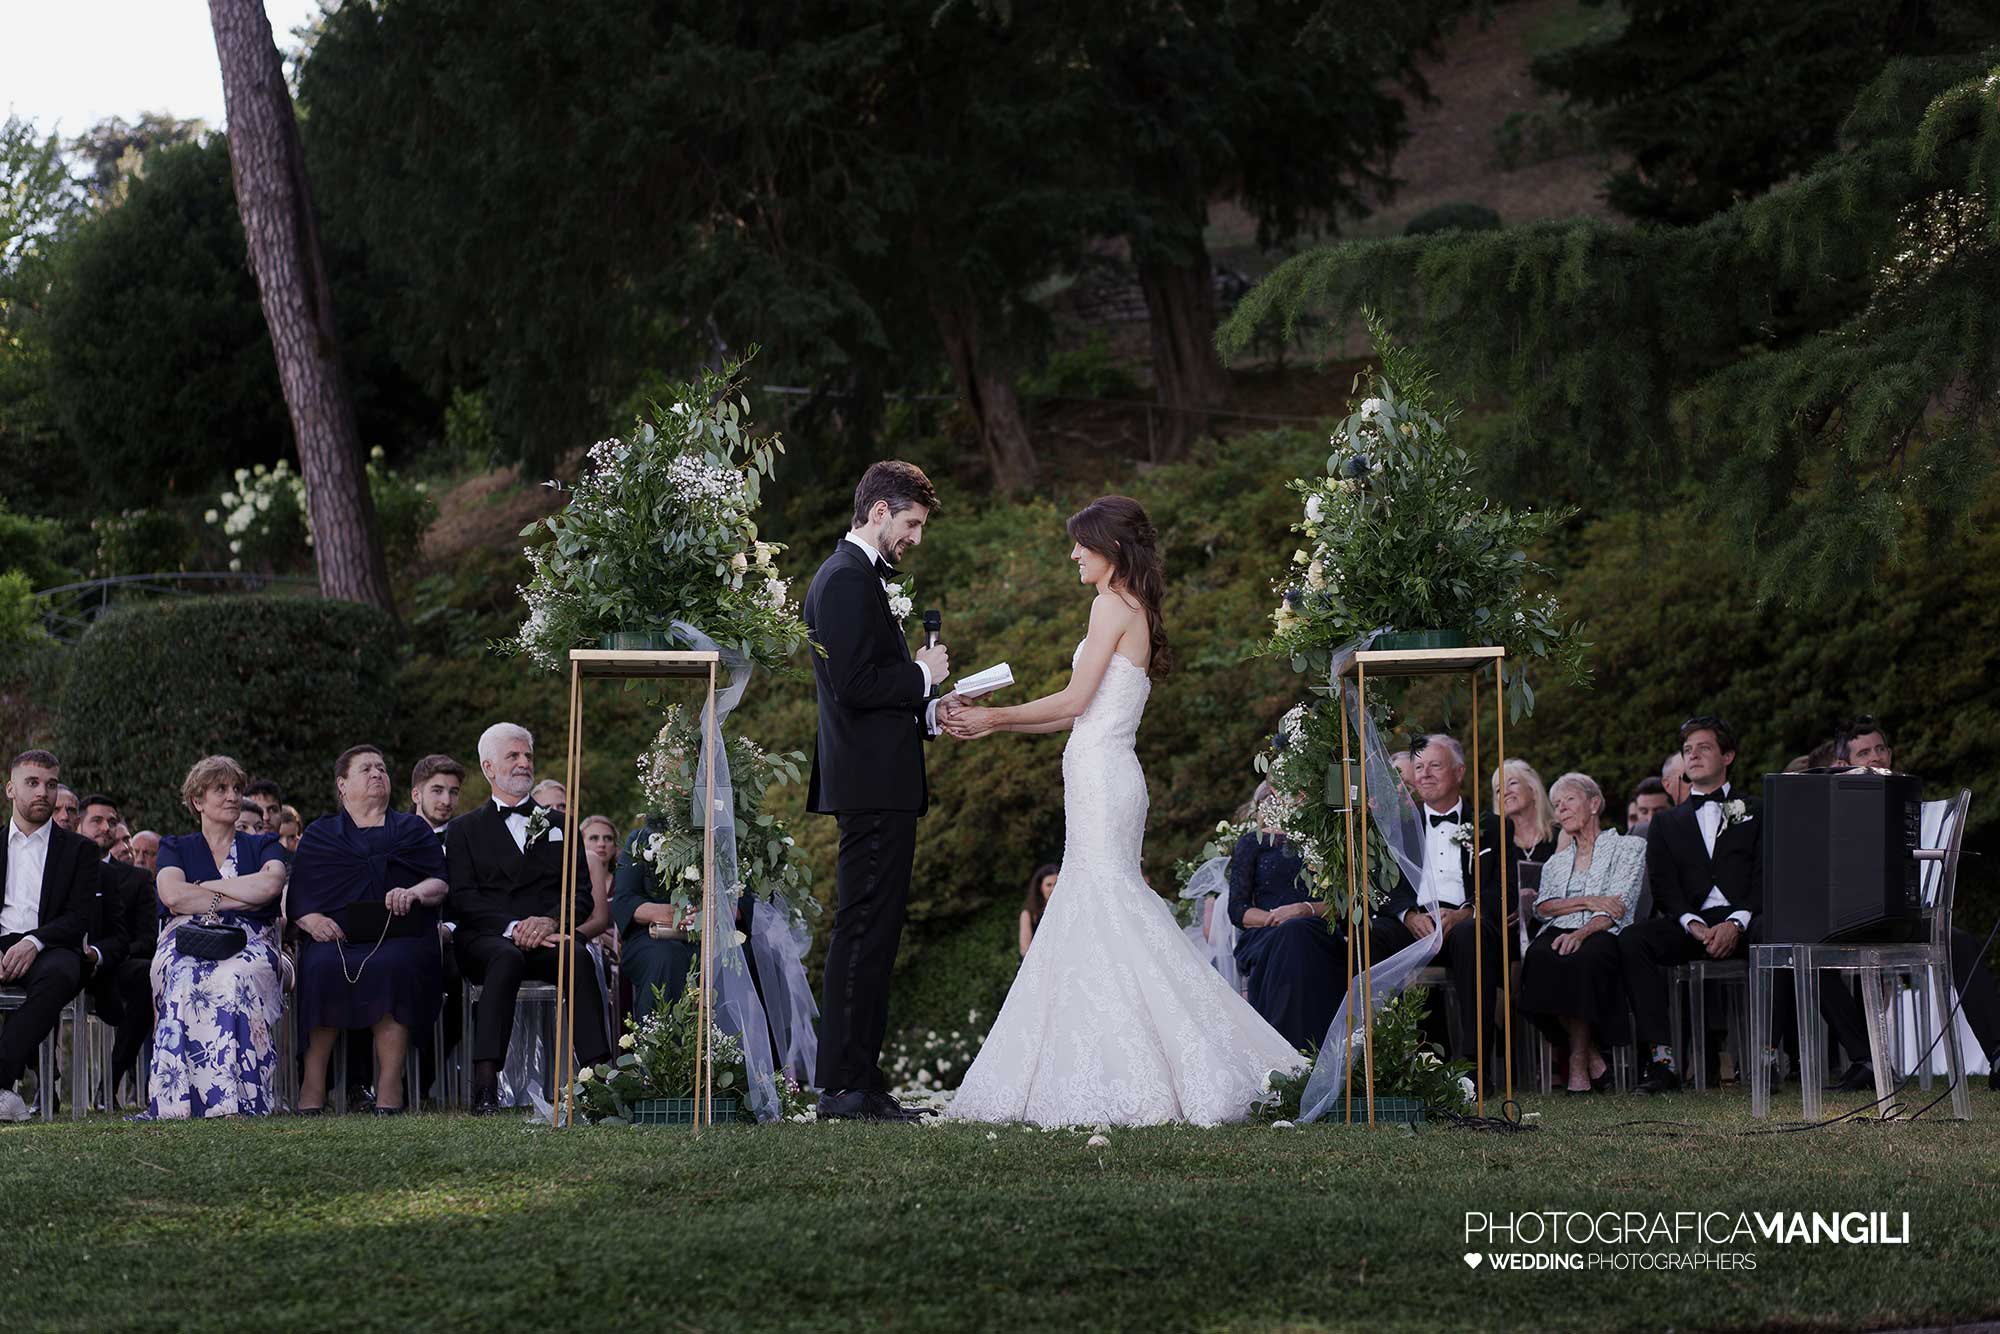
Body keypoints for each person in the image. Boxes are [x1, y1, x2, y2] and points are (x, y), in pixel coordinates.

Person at [945, 496, 1304, 1125]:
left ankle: (1147, 1068)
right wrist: (995, 726)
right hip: (1101, 769)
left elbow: (1076, 697)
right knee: (1105, 904)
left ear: (1111, 547)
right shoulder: (1131, 605)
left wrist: (994, 716)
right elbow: (1073, 711)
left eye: (1082, 544)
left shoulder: (1111, 604)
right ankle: (1130, 1063)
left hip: (1103, 775)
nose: (1074, 554)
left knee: (1108, 902)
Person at [799, 461, 955, 1123]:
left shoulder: (860, 580)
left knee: (876, 932)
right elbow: (854, 687)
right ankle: (843, 1088)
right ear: (880, 511)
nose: (916, 537)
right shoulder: (842, 581)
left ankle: (861, 1080)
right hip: (869, 787)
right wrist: (920, 675)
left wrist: (928, 708)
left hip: (883, 781)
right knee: (862, 931)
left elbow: (871, 692)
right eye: (912, 523)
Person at [1621, 715, 1872, 1094]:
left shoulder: (1758, 809)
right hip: (1692, 926)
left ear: (1728, 755)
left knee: (1786, 933)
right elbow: (1664, 887)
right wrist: (1692, 923)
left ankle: (1772, 1058)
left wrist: (1735, 922)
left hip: (1748, 919)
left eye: (1703, 747)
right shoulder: (1666, 824)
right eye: (1687, 750)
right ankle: (1663, 1060)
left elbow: (1768, 875)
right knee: (1631, 940)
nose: (1693, 756)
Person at [446, 722, 609, 1114]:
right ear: (489, 768)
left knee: (578, 955)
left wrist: (551, 923)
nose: (523, 763)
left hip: (546, 936)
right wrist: (514, 928)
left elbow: (581, 896)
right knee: (507, 957)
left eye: (527, 756)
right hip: (486, 938)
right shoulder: (464, 829)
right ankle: (485, 1086)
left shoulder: (561, 825)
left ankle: (599, 1079)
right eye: (513, 756)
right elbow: (463, 899)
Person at [289, 745, 448, 1116]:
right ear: (342, 785)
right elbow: (299, 900)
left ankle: (390, 1084)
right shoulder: (320, 834)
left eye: (382, 768)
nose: (378, 773)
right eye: (366, 769)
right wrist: (312, 921)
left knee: (394, 964)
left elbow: (439, 884)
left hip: (400, 938)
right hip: (337, 940)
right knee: (320, 966)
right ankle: (313, 1084)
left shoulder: (413, 829)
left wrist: (412, 893)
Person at [146, 755, 289, 1118]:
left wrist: (201, 890)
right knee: (182, 973)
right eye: (221, 789)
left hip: (252, 939)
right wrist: (240, 894)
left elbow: (272, 884)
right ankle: (179, 1101)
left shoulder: (264, 844)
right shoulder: (175, 845)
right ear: (197, 801)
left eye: (237, 789)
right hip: (188, 938)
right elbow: (173, 896)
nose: (233, 796)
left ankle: (239, 1098)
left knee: (236, 974)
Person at [1367, 733, 1508, 1077]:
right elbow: (1383, 884)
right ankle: (1389, 1064)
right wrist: (1407, 914)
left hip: (1463, 922)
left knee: (1474, 935)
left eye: (1434, 766)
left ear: (1459, 772)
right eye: (1419, 767)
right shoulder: (1397, 826)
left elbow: (1500, 888)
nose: (1425, 774)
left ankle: (1474, 1069)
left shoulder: (1491, 825)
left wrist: (1465, 913)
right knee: (1371, 934)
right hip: (1414, 923)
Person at [1519, 773, 1646, 1093]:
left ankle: (1576, 1061)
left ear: (1594, 804)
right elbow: (1542, 908)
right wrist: (1587, 900)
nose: (1561, 809)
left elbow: (1619, 905)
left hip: (1606, 930)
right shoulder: (1556, 862)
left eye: (1569, 800)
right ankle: (1589, 1057)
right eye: (1556, 804)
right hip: (1558, 928)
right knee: (1538, 957)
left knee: (1584, 958)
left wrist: (1582, 932)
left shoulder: (1628, 847)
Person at [0, 751, 98, 1122]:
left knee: (59, 974)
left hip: (52, 946)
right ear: (11, 788)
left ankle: (1, 1078)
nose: (43, 792)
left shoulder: (80, 850)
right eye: (32, 783)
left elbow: (80, 916)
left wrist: (34, 941)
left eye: (51, 784)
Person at [1226, 797, 1343, 1052]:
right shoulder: (1252, 843)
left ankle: (1296, 1051)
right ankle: (1287, 1052)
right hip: (1266, 933)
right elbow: (1238, 910)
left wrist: (1303, 910)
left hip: (1319, 927)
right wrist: (1277, 918)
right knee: (1289, 936)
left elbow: (1344, 903)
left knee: (1296, 934)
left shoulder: (1325, 838)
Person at [76, 795, 157, 1105]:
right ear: (79, 824)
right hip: (63, 960)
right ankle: (44, 1085)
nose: (106, 827)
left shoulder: (136, 878)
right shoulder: (58, 866)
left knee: (147, 976)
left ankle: (109, 1084)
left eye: (111, 821)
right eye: (97, 820)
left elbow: (146, 940)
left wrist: (105, 955)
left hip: (115, 965)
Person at [410, 754, 466, 847]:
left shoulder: (469, 841)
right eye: (437, 791)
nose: (447, 801)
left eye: (453, 792)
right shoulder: (393, 841)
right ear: (416, 796)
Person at [1018, 863, 1058, 958]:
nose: (1053, 889)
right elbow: (1025, 948)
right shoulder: (1028, 914)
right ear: (1040, 887)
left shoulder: (1069, 911)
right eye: (1049, 885)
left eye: (1057, 884)